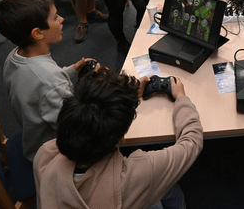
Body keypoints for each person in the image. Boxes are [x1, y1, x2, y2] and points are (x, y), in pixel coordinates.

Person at [34, 67, 203, 209]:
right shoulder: (142, 173)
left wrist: (126, 99)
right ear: (121, 138)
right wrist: (181, 98)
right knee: (170, 189)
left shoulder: (45, 155)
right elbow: (192, 142)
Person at [0, 0, 93, 162]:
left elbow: (40, 83)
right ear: (38, 33)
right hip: (57, 154)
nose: (62, 19)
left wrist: (72, 71)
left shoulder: (15, 56)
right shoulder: (50, 80)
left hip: (34, 141)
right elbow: (78, 128)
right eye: (55, 17)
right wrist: (96, 86)